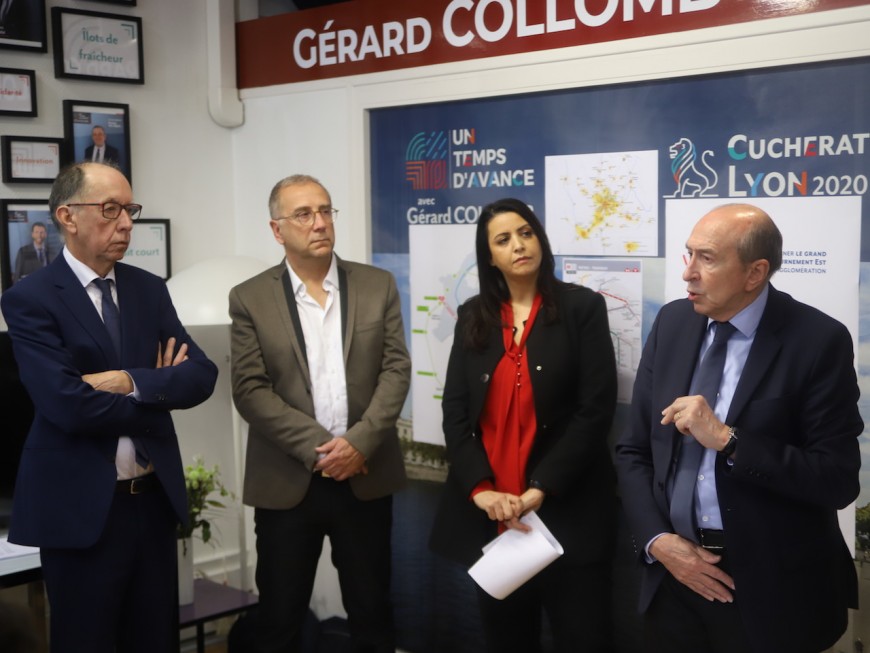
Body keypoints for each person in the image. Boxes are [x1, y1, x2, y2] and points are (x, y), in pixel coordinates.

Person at [615, 203, 862, 653]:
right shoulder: (672, 322)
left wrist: (729, 440)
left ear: (755, 273)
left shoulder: (817, 340)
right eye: (689, 254)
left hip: (770, 591)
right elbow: (633, 451)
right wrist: (658, 541)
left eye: (707, 258)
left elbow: (837, 479)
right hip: (673, 577)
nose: (688, 272)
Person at [0, 161, 219, 653]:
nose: (126, 223)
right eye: (110, 209)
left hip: (152, 503)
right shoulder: (29, 298)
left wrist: (128, 381)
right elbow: (67, 406)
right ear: (67, 216)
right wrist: (158, 394)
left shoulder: (148, 288)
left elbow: (201, 375)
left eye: (129, 210)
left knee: (156, 641)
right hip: (79, 511)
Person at [229, 174, 411, 653]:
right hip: (288, 481)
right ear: (277, 229)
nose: (319, 223)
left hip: (365, 475)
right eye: (304, 214)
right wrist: (324, 450)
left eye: (326, 210)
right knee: (279, 621)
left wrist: (357, 444)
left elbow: (396, 370)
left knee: (373, 615)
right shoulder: (249, 298)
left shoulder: (376, 284)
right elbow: (250, 390)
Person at [429, 198, 619, 652]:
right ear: (490, 257)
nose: (518, 245)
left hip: (567, 510)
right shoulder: (473, 316)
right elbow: (455, 412)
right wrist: (481, 491)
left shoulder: (582, 308)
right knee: (507, 640)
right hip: (494, 517)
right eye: (503, 239)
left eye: (526, 233)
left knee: (583, 639)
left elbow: (596, 410)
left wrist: (541, 488)